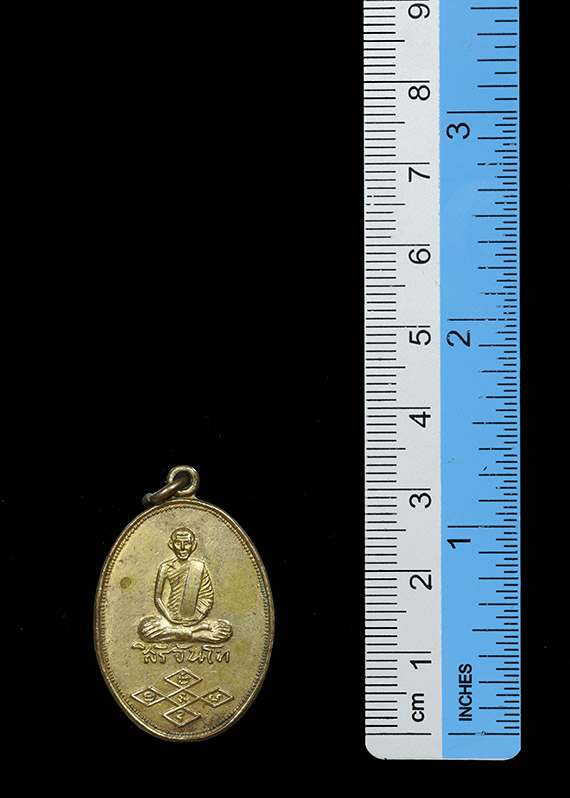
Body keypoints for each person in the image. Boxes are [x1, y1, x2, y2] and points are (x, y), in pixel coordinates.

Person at [138, 527, 232, 643]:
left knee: (225, 630)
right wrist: (169, 616)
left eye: (187, 543)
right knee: (145, 629)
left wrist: (197, 617)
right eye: (178, 543)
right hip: (170, 620)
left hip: (195, 621)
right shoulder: (165, 567)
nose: (182, 548)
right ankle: (193, 634)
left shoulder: (199, 567)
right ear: (171, 545)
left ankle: (178, 634)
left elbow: (207, 596)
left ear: (193, 545)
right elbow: (157, 598)